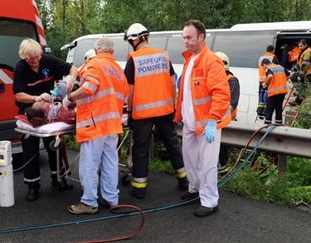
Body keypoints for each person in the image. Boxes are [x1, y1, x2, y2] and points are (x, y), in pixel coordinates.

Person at [123, 23, 188, 199]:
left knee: (141, 149)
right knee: (172, 144)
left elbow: (130, 91)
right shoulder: (163, 56)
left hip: (143, 114)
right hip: (165, 110)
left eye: (130, 40)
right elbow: (173, 81)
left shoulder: (133, 60)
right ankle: (184, 180)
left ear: (134, 39)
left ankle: (139, 188)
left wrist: (129, 113)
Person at [66, 37, 129, 214]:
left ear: (96, 49)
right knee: (110, 162)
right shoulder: (118, 69)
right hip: (112, 124)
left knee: (89, 164)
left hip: (94, 124)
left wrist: (70, 98)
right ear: (112, 52)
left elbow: (89, 87)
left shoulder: (94, 64)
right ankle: (112, 199)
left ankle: (89, 202)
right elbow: (125, 95)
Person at [175, 19, 231, 217]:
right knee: (190, 158)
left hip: (207, 123)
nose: (185, 41)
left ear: (201, 37)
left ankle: (209, 200)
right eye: (184, 37)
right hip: (190, 122)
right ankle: (195, 189)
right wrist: (180, 114)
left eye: (189, 37)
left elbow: (221, 94)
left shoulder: (211, 60)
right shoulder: (190, 59)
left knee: (207, 163)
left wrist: (212, 120)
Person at [13, 38, 78, 201]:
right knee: (30, 148)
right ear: (24, 57)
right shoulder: (20, 68)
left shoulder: (48, 60)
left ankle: (58, 179)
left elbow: (73, 68)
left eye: (36, 57)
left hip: (51, 108)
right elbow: (18, 94)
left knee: (54, 145)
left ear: (40, 54)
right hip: (31, 112)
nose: (34, 61)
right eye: (30, 59)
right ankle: (32, 185)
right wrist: (36, 98)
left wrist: (70, 79)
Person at [214, 51, 240, 174]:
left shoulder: (232, 80)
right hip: (215, 120)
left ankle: (222, 168)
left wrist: (221, 116)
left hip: (226, 119)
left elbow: (232, 101)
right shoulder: (216, 79)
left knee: (222, 146)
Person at [289, 39, 311, 106]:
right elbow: (300, 64)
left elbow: (305, 64)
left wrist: (300, 75)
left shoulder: (308, 52)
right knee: (293, 77)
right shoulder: (304, 52)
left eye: (301, 46)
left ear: (305, 45)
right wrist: (295, 69)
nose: (300, 47)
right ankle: (298, 92)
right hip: (308, 73)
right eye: (299, 46)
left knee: (302, 84)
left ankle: (298, 101)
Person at [261, 59, 287, 125]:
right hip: (282, 92)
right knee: (279, 109)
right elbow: (289, 75)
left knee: (269, 109)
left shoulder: (269, 68)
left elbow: (270, 76)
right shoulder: (281, 67)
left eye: (263, 67)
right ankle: (279, 124)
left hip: (273, 92)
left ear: (264, 64)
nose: (264, 69)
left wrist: (266, 84)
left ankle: (267, 125)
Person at [257, 45, 277, 118]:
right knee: (267, 97)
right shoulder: (273, 57)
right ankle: (266, 112)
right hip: (268, 80)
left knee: (261, 96)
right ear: (273, 50)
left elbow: (259, 68)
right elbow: (276, 68)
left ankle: (259, 112)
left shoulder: (261, 57)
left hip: (261, 80)